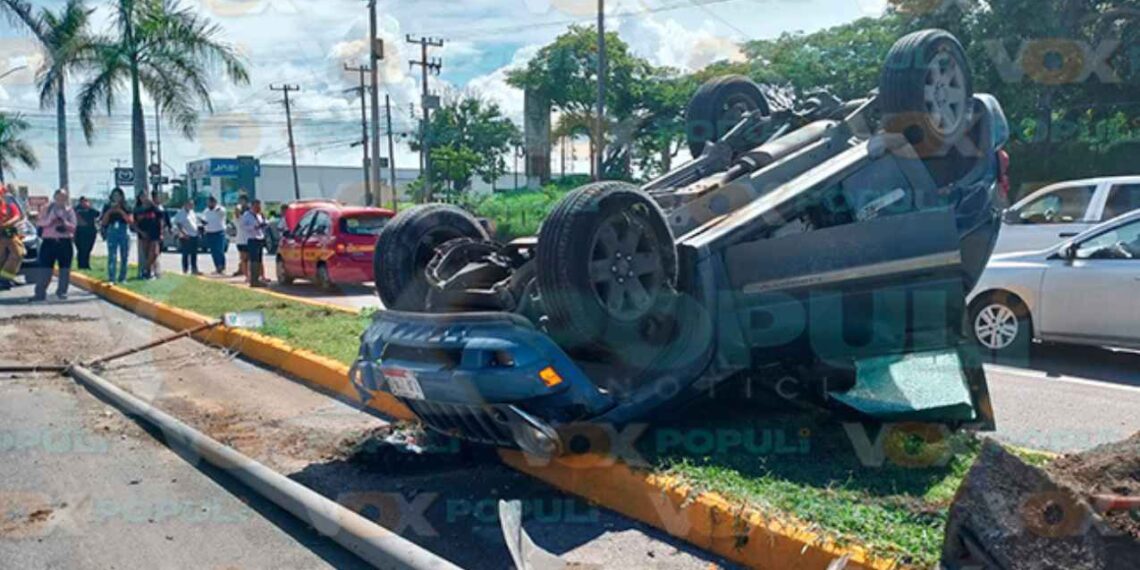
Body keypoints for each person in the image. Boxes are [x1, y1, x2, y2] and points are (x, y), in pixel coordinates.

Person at [33, 189, 77, 301]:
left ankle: (62, 291)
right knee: (45, 268)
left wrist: (64, 222)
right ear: (55, 197)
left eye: (63, 197)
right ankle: (40, 293)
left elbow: (74, 226)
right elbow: (39, 222)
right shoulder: (46, 209)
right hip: (49, 242)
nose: (61, 200)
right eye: (59, 197)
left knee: (65, 269)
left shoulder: (69, 210)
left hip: (64, 242)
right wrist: (50, 220)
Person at [100, 188, 132, 283]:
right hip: (112, 230)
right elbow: (104, 222)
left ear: (122, 197)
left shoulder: (126, 206)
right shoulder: (107, 206)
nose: (116, 197)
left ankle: (122, 277)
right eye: (114, 195)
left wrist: (120, 211)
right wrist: (110, 211)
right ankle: (112, 278)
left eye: (118, 195)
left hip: (124, 230)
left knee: (124, 255)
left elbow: (130, 221)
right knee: (112, 255)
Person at [0, 183, 26, 290]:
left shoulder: (8, 205)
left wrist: (7, 223)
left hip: (9, 234)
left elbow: (17, 216)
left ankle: (5, 278)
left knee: (19, 253)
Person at [133, 192, 163, 279]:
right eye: (142, 196)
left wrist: (161, 233)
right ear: (139, 198)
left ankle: (145, 269)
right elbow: (134, 224)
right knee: (147, 253)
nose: (144, 198)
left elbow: (160, 219)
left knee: (155, 252)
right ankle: (150, 272)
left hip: (154, 232)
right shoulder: (137, 209)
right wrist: (141, 232)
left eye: (145, 196)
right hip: (143, 233)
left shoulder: (154, 208)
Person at [241, 199, 269, 288]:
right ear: (252, 206)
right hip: (252, 239)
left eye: (259, 206)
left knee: (259, 260)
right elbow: (244, 226)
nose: (258, 208)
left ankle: (258, 279)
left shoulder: (260, 215)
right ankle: (253, 280)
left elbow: (265, 223)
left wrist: (264, 223)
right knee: (254, 260)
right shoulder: (246, 215)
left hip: (260, 238)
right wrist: (254, 227)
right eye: (257, 206)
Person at [173, 199, 202, 275]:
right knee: (185, 253)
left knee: (194, 253)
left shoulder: (192, 212)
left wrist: (198, 230)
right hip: (185, 236)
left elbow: (195, 223)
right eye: (190, 204)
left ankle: (194, 269)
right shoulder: (181, 213)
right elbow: (178, 224)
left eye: (192, 204)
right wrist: (184, 233)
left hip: (194, 235)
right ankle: (185, 270)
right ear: (185, 204)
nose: (192, 206)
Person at [202, 195, 227, 275]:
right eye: (208, 202)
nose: (209, 203)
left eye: (211, 202)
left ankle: (222, 267)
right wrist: (203, 223)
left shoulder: (220, 209)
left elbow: (222, 214)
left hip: (219, 232)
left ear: (214, 202)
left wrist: (217, 208)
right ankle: (217, 267)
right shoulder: (206, 211)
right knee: (213, 251)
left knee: (220, 250)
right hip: (210, 232)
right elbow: (205, 220)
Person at [73, 196, 99, 270]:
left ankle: (86, 265)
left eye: (86, 201)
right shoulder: (76, 209)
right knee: (81, 249)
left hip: (90, 232)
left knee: (88, 249)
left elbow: (97, 214)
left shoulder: (91, 210)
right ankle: (81, 265)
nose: (84, 202)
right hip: (79, 232)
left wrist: (89, 207)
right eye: (83, 201)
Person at [232, 194, 250, 279]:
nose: (241, 203)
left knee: (250, 258)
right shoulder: (237, 215)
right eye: (240, 201)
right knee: (243, 258)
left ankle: (249, 273)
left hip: (250, 239)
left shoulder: (249, 213)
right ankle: (246, 275)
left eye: (243, 201)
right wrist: (238, 209)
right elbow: (236, 214)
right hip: (241, 239)